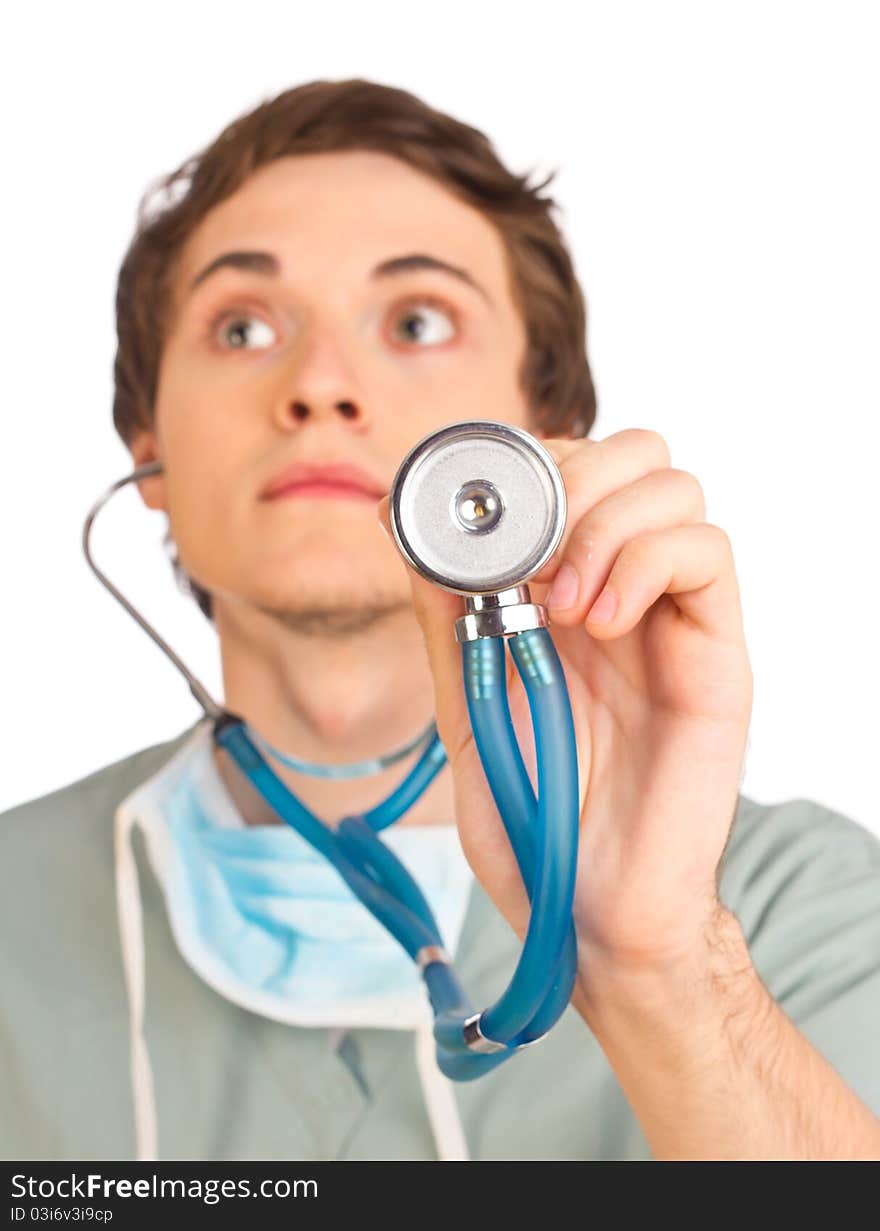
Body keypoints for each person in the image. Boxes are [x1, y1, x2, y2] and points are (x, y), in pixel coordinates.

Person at [1, 78, 878, 1163]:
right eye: (243, 325)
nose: (321, 384)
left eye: (416, 320)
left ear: (538, 444)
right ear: (148, 457)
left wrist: (659, 966)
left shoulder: (795, 906)